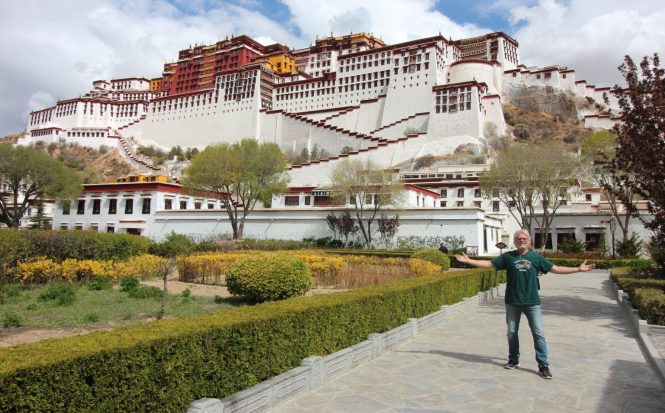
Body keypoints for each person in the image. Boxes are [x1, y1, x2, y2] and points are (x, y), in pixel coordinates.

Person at [455, 229, 596, 380]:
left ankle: (543, 365)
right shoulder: (508, 256)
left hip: (532, 303)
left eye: (524, 238)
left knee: (538, 334)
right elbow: (489, 264)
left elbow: (555, 268)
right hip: (512, 302)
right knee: (511, 332)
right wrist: (469, 261)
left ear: (529, 240)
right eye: (519, 238)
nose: (522, 240)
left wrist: (578, 269)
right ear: (515, 241)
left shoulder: (536, 257)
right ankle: (513, 359)